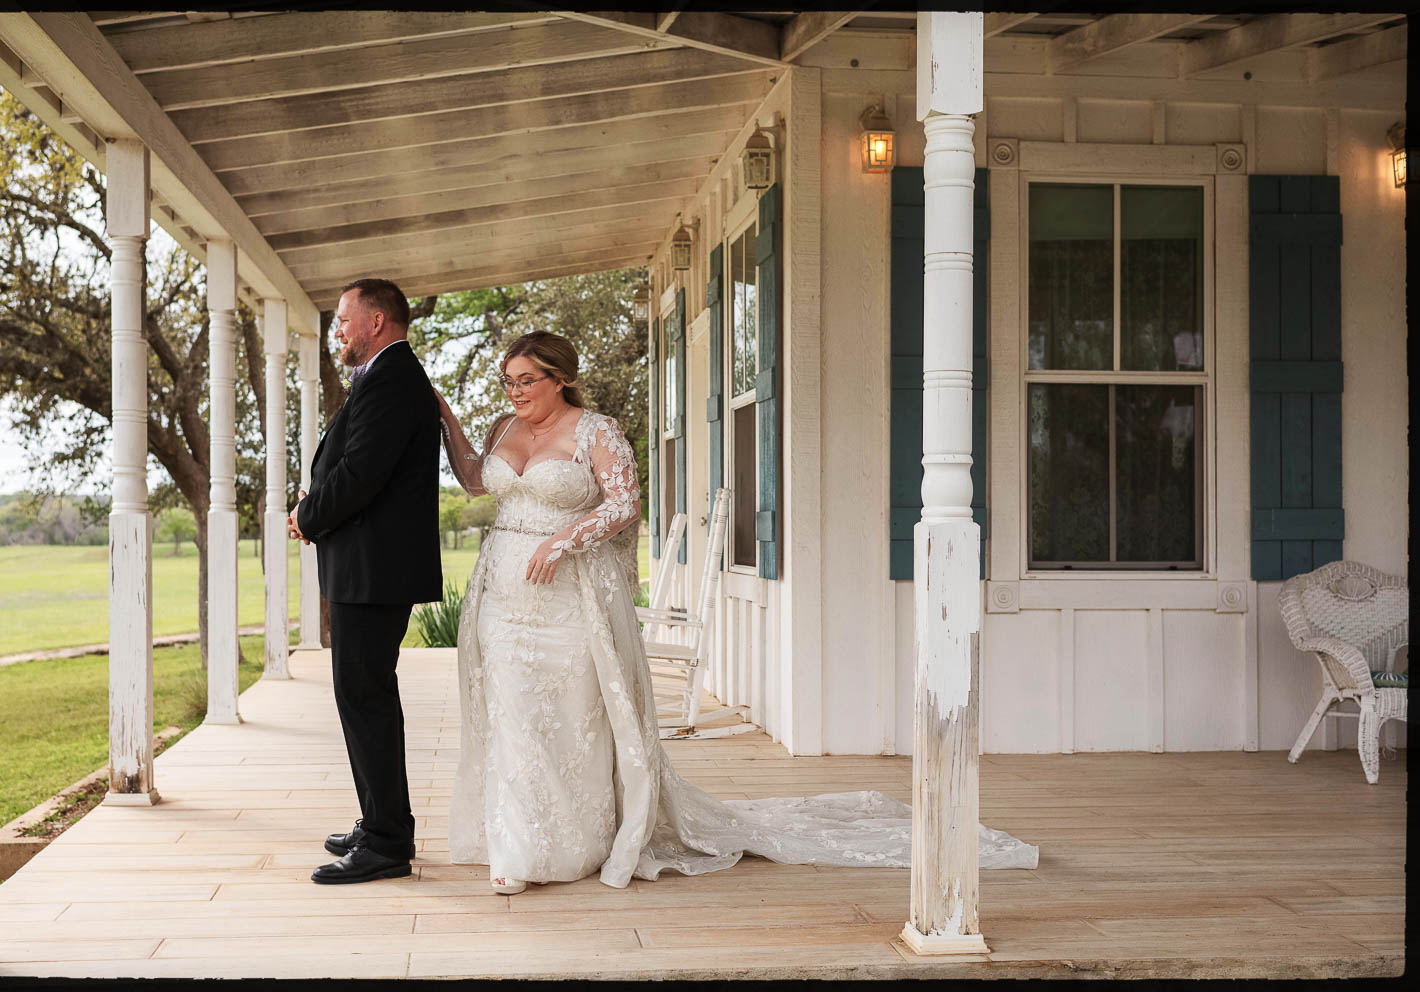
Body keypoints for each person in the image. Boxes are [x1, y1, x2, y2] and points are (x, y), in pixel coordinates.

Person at [437, 331, 1038, 895]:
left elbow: (624, 504)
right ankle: (517, 851)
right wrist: (442, 411)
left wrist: (561, 541)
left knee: (570, 717)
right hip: (505, 599)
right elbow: (473, 482)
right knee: (512, 714)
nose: (514, 392)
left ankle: (578, 842)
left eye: (525, 380)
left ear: (559, 378)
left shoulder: (595, 430)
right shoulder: (500, 428)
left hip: (569, 600)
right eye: (507, 381)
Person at [287, 278, 442, 884]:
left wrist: (307, 514)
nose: (340, 332)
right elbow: (350, 465)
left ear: (377, 321)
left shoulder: (394, 379)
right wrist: (316, 498)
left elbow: (360, 476)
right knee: (363, 697)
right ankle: (381, 821)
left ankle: (386, 842)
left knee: (365, 698)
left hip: (374, 574)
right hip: (366, 569)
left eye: (346, 321)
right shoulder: (386, 376)